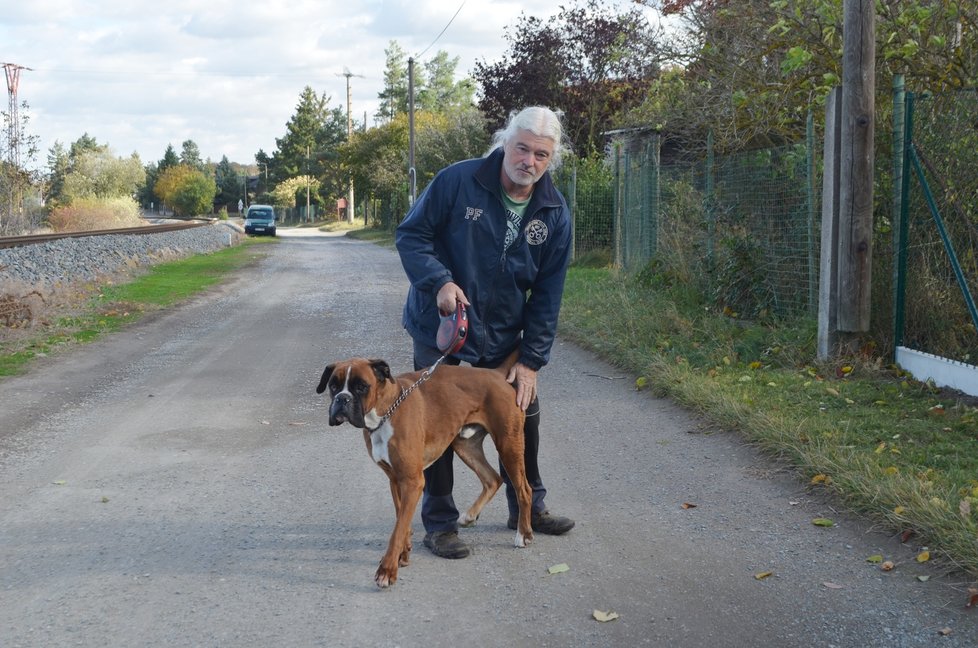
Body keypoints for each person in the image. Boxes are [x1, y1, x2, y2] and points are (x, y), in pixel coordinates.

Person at [395, 105, 575, 560]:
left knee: (521, 409)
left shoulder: (554, 212)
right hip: (443, 325)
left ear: (550, 159)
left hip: (503, 335)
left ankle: (527, 507)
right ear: (505, 142)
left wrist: (531, 361)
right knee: (433, 418)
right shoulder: (458, 181)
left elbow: (548, 294)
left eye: (540, 154)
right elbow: (411, 236)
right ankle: (440, 523)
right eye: (522, 148)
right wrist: (439, 281)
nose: (529, 161)